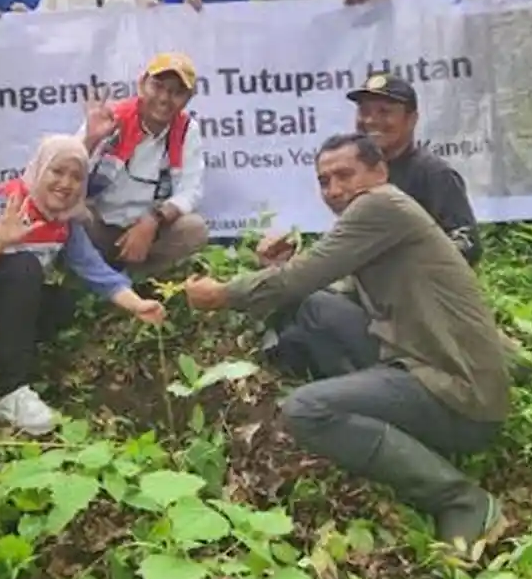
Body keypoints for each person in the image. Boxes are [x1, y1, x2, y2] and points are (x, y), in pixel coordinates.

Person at [183, 132, 509, 552]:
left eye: (344, 175)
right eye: (324, 181)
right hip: (418, 363)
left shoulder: (380, 205)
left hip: (459, 395)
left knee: (306, 409)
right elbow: (320, 288)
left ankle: (461, 500)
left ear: (379, 171)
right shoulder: (380, 220)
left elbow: (302, 276)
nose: (334, 189)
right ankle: (376, 419)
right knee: (316, 307)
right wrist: (279, 270)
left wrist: (223, 293)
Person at [0, 135, 166, 435]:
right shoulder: (4, 205)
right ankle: (8, 391)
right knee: (24, 267)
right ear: (40, 169)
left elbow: (95, 271)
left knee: (62, 303)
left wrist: (138, 305)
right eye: (57, 171)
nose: (66, 183)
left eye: (76, 177)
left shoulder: (64, 220)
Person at [79, 53, 209, 275]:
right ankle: (94, 280)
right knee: (75, 215)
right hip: (101, 224)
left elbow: (190, 191)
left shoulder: (187, 130)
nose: (164, 99)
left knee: (194, 229)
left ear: (188, 98)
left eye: (176, 92)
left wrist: (153, 221)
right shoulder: (111, 117)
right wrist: (91, 140)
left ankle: (137, 282)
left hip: (150, 231)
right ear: (141, 85)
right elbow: (67, 172)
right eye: (157, 87)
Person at [347, 74, 481, 265]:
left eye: (384, 112)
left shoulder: (433, 174)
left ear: (411, 119)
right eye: (364, 111)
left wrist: (410, 261)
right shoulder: (357, 173)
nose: (370, 120)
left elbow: (468, 243)